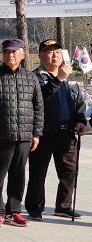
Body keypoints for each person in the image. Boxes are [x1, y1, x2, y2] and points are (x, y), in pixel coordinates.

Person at [0, 38, 43, 227]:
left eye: (14, 52)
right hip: (0, 135)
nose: (10, 55)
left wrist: (36, 133)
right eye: (6, 52)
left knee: (18, 176)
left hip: (24, 135)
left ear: (22, 54)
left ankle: (14, 211)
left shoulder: (31, 78)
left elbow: (38, 107)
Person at [26, 38, 87, 220]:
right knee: (38, 173)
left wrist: (81, 121)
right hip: (43, 132)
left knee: (69, 172)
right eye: (50, 52)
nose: (55, 56)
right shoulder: (34, 77)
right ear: (40, 56)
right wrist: (58, 78)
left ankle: (63, 206)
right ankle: (35, 208)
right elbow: (40, 99)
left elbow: (79, 101)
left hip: (67, 133)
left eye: (58, 52)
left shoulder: (70, 77)